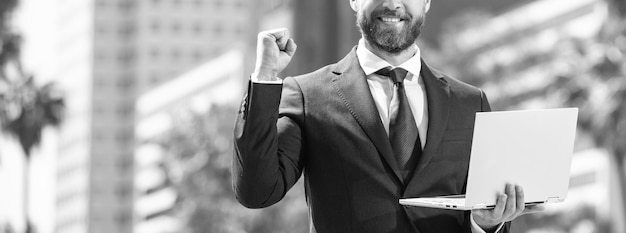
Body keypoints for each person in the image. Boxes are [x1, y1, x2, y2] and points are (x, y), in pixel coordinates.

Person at [232, 0, 542, 232]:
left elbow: (481, 208)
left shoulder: (469, 102)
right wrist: (265, 76)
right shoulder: (307, 93)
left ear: (427, 2)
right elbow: (257, 191)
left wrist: (485, 224)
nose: (394, 4)